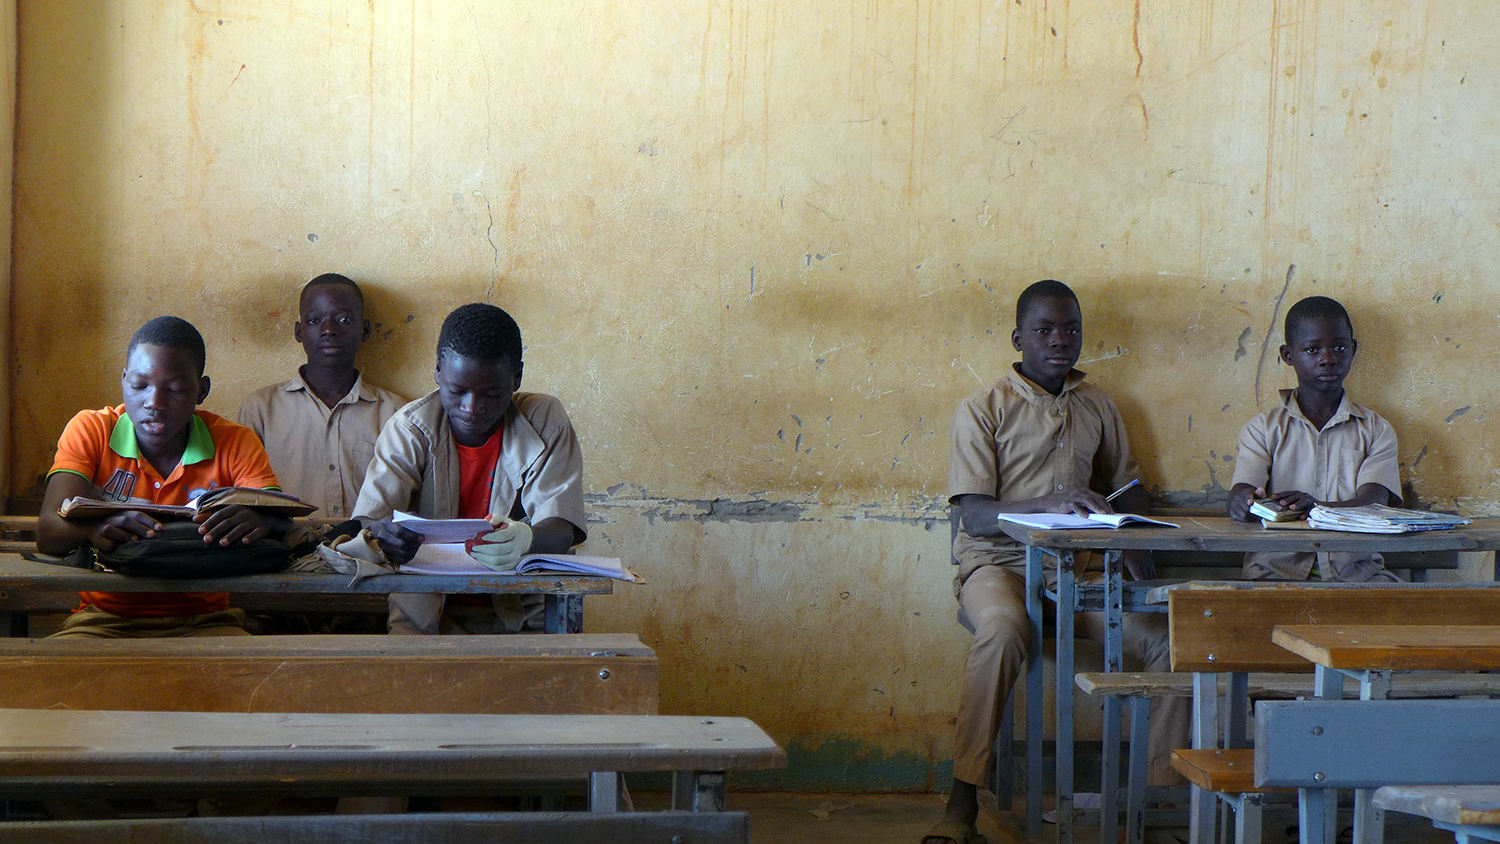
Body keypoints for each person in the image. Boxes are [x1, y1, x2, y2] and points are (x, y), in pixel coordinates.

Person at [928, 280, 1187, 844]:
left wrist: (1130, 540)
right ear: (1018, 338)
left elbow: (1130, 486)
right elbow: (974, 516)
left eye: (1070, 329)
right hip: (999, 567)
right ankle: (962, 800)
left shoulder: (1097, 405)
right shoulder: (983, 408)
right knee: (1001, 632)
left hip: (1080, 573)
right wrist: (1046, 503)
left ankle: (1158, 799)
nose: (1059, 340)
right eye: (1044, 330)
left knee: (1169, 636)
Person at [35, 316, 287, 638]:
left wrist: (261, 520)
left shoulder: (235, 442)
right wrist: (92, 528)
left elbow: (283, 522)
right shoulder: (92, 430)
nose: (154, 402)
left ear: (201, 390)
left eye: (177, 388)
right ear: (123, 380)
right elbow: (48, 531)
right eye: (139, 385)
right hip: (102, 619)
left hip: (208, 620)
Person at [352, 303, 587, 635]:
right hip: (423, 617)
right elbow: (366, 520)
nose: (472, 407)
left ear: (516, 376)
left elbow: (562, 526)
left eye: (492, 393)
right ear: (437, 372)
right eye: (456, 391)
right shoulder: (410, 428)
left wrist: (527, 538)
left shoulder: (544, 420)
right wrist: (384, 534)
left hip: (521, 615)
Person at [1227, 295, 1401, 582]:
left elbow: (1373, 502)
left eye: (1340, 347)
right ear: (1288, 355)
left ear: (1353, 350)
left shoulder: (1375, 429)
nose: (1328, 359)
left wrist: (1318, 507)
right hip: (1275, 573)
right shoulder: (1263, 429)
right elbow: (1242, 490)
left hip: (1357, 574)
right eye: (1312, 349)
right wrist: (1241, 502)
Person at [237, 273, 405, 520]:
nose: (329, 330)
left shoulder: (393, 412)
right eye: (314, 320)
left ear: (365, 330)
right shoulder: (260, 410)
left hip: (370, 551)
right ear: (299, 332)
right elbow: (244, 499)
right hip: (287, 551)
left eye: (345, 319)